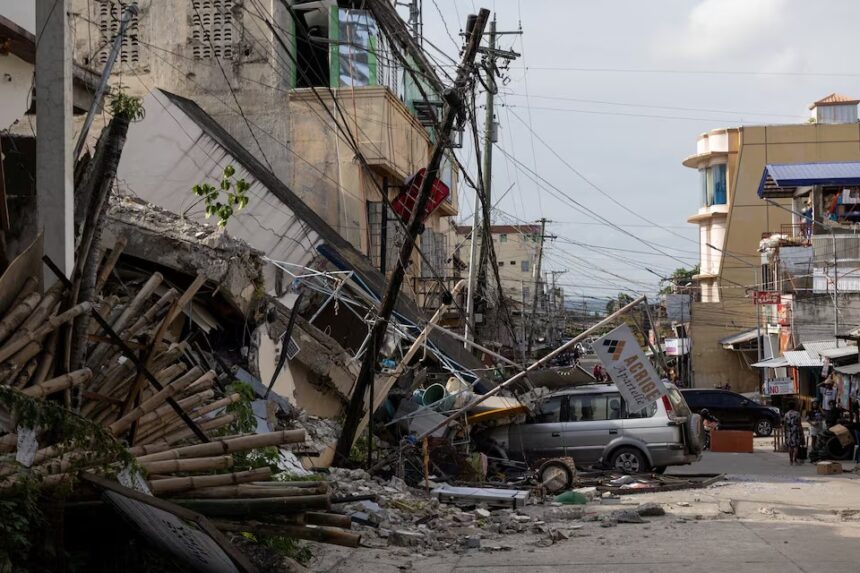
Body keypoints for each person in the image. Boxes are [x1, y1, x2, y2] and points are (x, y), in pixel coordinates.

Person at [784, 401, 804, 465]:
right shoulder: (797, 414)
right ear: (794, 406)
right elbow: (799, 423)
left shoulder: (786, 414)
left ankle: (790, 460)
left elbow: (785, 424)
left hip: (789, 431)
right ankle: (795, 460)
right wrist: (801, 432)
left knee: (790, 446)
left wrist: (785, 432)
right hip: (796, 430)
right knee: (796, 446)